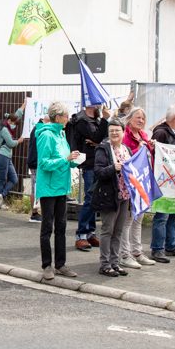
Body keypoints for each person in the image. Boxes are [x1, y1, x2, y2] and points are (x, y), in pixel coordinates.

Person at [35, 101, 81, 280]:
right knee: (47, 227)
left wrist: (73, 161)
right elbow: (44, 163)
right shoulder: (47, 135)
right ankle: (47, 265)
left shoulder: (61, 134)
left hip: (61, 187)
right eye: (66, 116)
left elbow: (64, 159)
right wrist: (65, 160)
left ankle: (60, 264)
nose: (68, 119)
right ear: (58, 117)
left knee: (61, 226)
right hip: (48, 188)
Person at [149, 105, 175, 262]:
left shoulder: (174, 132)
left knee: (174, 214)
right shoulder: (161, 132)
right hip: (164, 181)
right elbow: (155, 154)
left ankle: (172, 245)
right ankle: (157, 248)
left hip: (174, 180)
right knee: (162, 215)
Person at [93, 119, 132, 277]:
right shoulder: (103, 149)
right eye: (112, 131)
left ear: (123, 132)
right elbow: (98, 171)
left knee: (118, 231)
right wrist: (112, 168)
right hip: (109, 196)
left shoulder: (126, 149)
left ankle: (115, 263)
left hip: (124, 195)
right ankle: (104, 264)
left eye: (117, 130)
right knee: (107, 230)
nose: (115, 133)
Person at [119, 107, 156, 269]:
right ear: (129, 119)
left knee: (138, 219)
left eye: (143, 118)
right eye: (138, 118)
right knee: (127, 220)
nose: (141, 121)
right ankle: (124, 254)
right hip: (129, 185)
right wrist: (138, 149)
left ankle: (137, 252)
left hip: (143, 183)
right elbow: (126, 158)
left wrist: (151, 147)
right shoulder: (124, 135)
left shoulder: (144, 135)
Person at [74, 103, 110, 251]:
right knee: (90, 198)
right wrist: (105, 120)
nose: (100, 106)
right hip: (89, 164)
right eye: (97, 104)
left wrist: (97, 142)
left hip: (98, 162)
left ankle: (90, 232)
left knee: (95, 199)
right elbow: (96, 135)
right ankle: (81, 234)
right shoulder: (82, 121)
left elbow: (103, 137)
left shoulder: (96, 121)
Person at [0, 101, 26, 208]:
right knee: (2, 179)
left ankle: (1, 196)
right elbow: (11, 143)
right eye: (13, 123)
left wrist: (24, 104)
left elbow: (17, 115)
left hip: (7, 157)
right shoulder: (4, 130)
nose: (14, 125)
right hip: (2, 156)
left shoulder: (8, 126)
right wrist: (19, 141)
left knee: (14, 179)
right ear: (9, 121)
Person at [26, 115, 48, 222]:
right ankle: (34, 213)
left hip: (34, 162)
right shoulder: (40, 129)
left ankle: (35, 212)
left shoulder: (38, 128)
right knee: (36, 188)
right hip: (36, 163)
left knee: (36, 187)